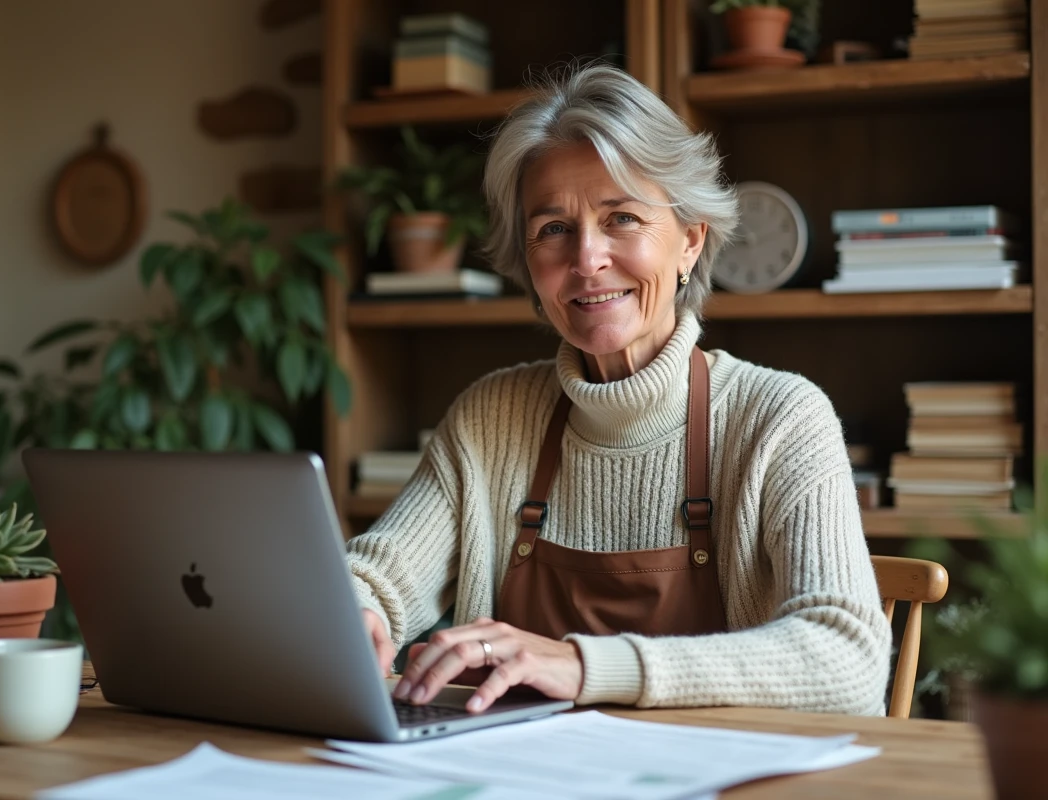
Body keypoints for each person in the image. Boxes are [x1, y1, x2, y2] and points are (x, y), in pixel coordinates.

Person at [345, 64, 891, 716]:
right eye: (552, 229)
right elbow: (378, 576)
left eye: (622, 218)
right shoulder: (492, 417)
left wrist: (585, 665)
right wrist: (355, 612)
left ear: (690, 243)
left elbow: (849, 663)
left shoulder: (779, 419)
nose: (587, 260)